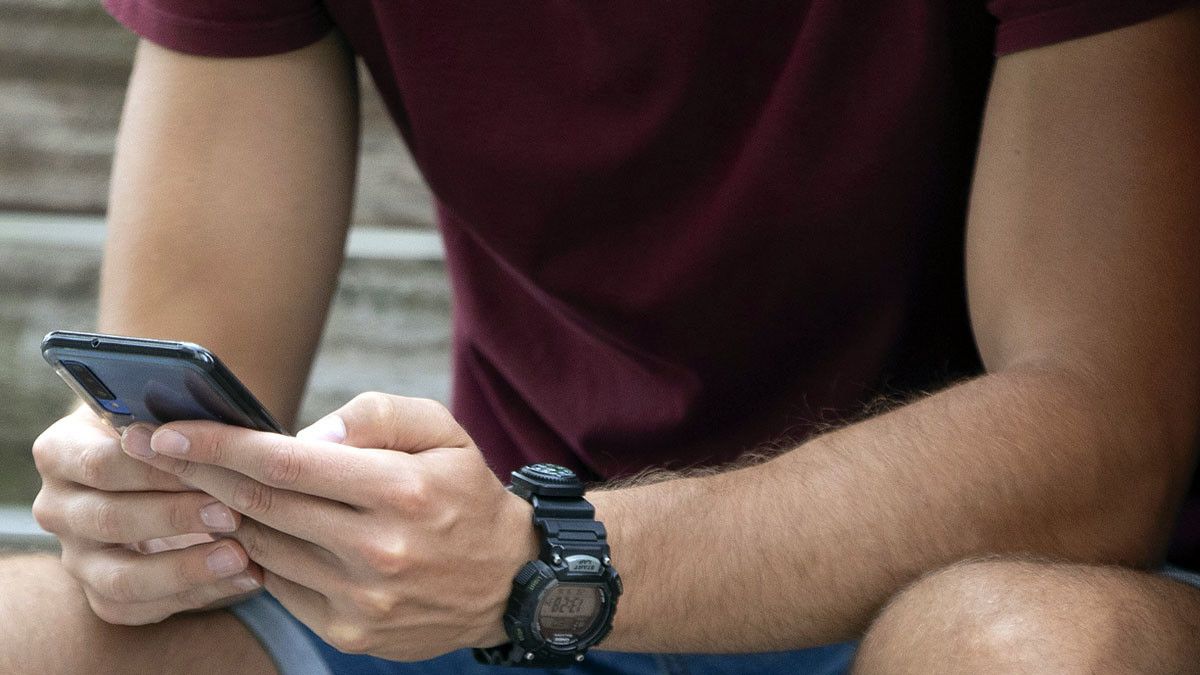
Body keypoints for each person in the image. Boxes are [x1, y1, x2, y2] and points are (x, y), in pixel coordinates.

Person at [2, 1, 1199, 673]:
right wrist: (131, 503)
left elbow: (1101, 436)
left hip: (946, 576)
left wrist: (545, 563)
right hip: (500, 605)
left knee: (1031, 655)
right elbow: (176, 375)